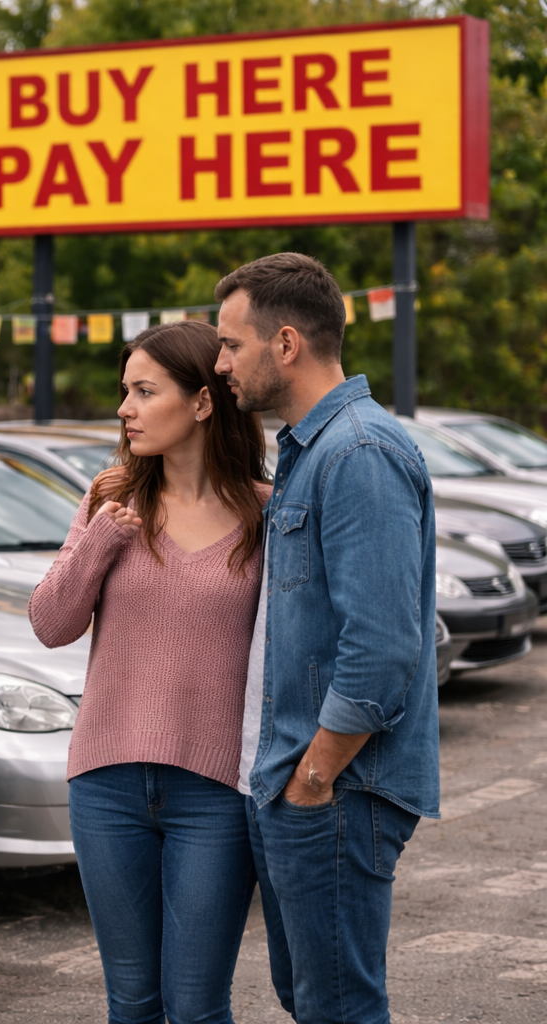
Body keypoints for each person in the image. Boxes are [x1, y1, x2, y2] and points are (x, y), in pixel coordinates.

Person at [215, 252, 438, 1024]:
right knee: (311, 1001)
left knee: (337, 1009)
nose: (220, 364)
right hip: (294, 784)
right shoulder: (312, 451)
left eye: (231, 345)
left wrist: (314, 778)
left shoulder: (358, 453)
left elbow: (381, 649)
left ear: (284, 345)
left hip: (334, 791)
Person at [28, 319, 271, 1024]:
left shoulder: (266, 513)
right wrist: (102, 538)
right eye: (123, 391)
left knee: (196, 1008)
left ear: (201, 402)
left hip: (216, 793)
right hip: (105, 786)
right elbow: (51, 624)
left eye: (143, 391)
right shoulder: (109, 499)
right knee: (132, 1004)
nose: (123, 409)